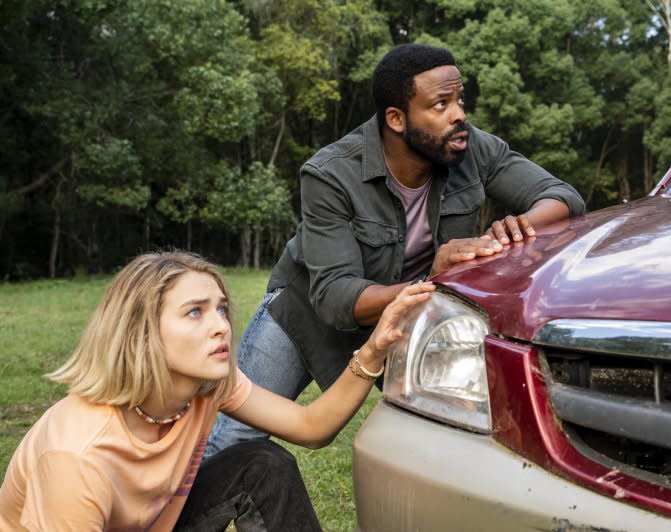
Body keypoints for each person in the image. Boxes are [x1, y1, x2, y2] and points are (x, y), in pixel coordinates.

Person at [206, 43, 584, 455]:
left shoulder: (469, 146)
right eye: (440, 104)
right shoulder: (330, 173)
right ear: (396, 119)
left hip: (411, 315)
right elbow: (334, 297)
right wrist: (431, 281)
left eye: (460, 99)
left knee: (451, 434)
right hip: (306, 312)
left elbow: (562, 197)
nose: (459, 114)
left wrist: (516, 228)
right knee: (235, 439)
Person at [0, 251, 434, 531]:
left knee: (263, 464)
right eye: (194, 313)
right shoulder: (76, 459)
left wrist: (375, 349)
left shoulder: (208, 385)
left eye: (221, 309)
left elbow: (311, 426)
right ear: (140, 332)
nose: (220, 326)